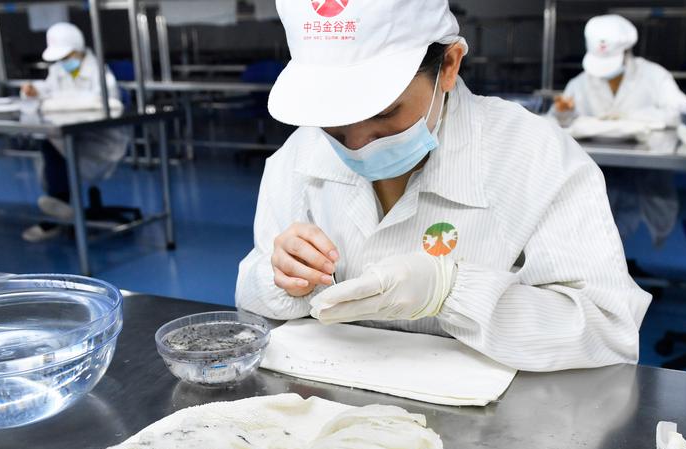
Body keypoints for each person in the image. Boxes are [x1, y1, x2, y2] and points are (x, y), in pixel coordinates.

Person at [235, 0, 652, 372]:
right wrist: (281, 277)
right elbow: (250, 298)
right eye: (335, 118)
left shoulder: (534, 155)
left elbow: (608, 331)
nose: (358, 143)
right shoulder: (300, 153)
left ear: (449, 65)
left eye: (385, 113)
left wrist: (450, 291)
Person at [552, 15, 686, 246]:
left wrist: (632, 118)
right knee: (595, 239)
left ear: (626, 52)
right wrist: (563, 113)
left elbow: (683, 110)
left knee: (638, 238)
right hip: (597, 172)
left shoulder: (654, 75)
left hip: (646, 175)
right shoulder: (581, 82)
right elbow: (557, 119)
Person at [20, 22, 128, 242]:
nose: (64, 62)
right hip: (69, 137)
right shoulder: (58, 69)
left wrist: (56, 103)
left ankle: (58, 209)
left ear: (78, 49)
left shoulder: (98, 73)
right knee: (50, 144)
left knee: (53, 147)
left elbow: (103, 102)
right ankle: (60, 207)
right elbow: (47, 90)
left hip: (99, 141)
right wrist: (33, 90)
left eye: (67, 56)